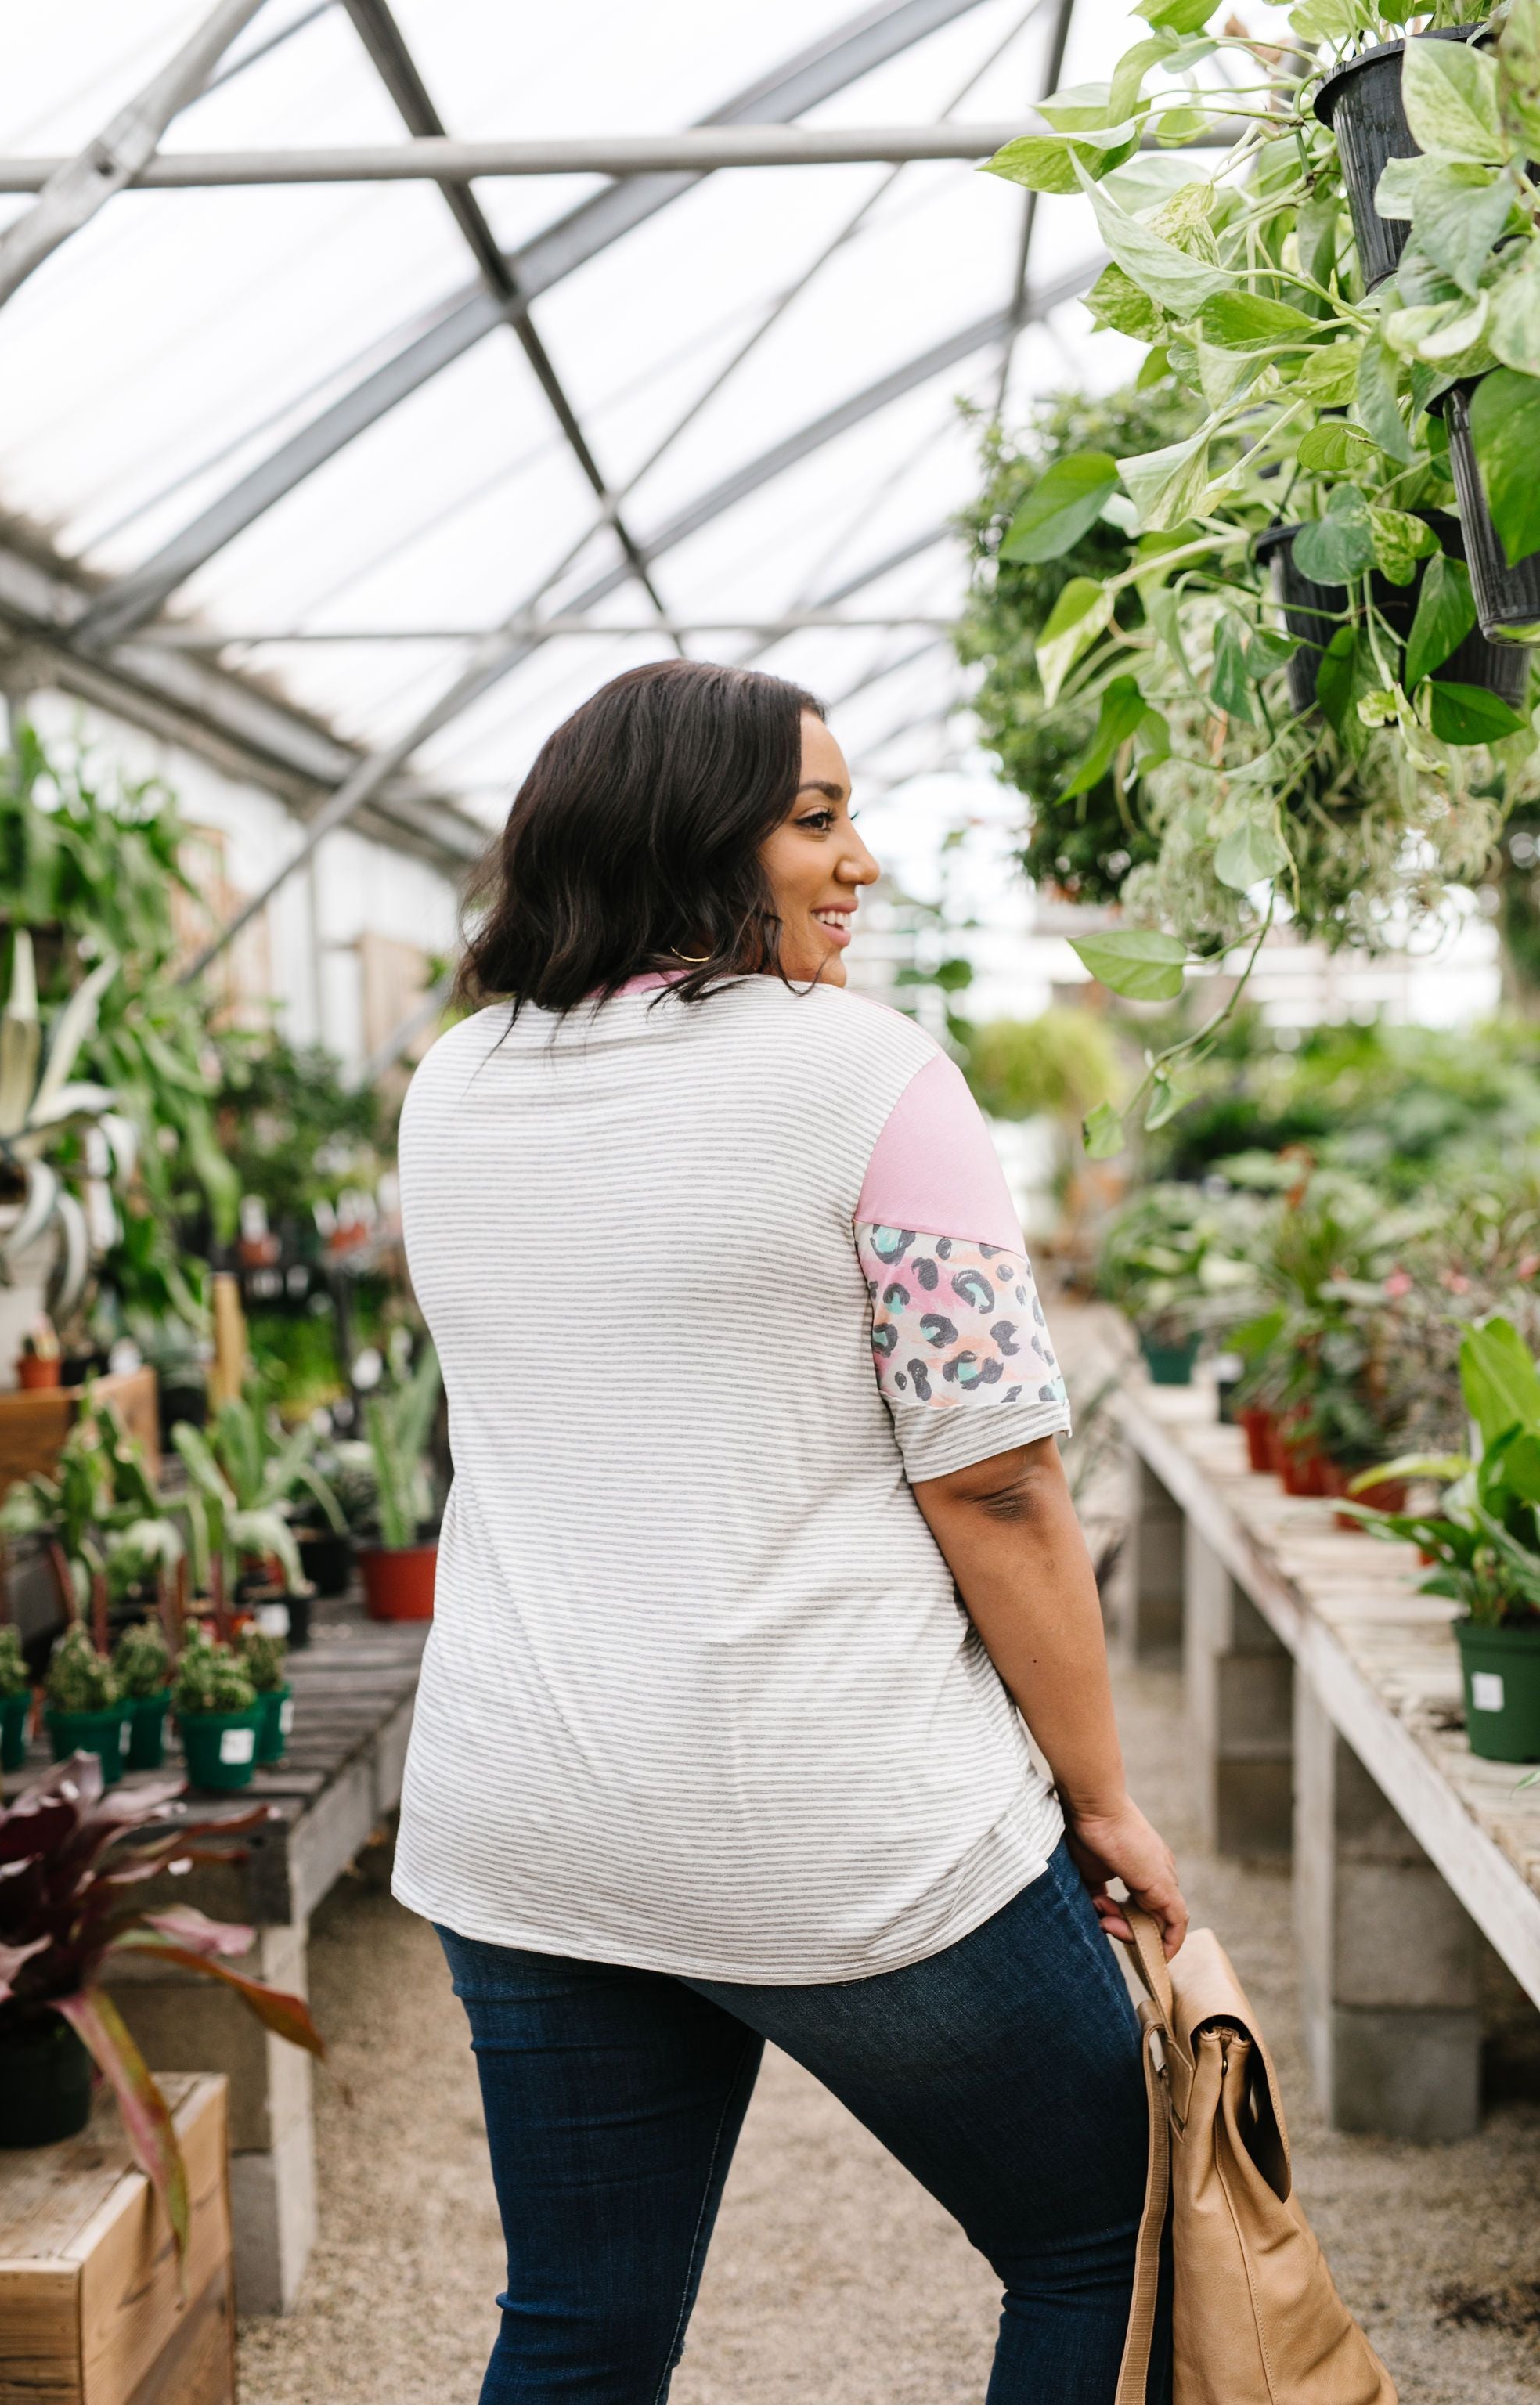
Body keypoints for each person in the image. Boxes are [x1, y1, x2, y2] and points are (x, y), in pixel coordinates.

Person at [393, 658, 1185, 2403]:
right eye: (817, 820)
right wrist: (1104, 1799)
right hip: (833, 1822)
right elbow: (992, 1476)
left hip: (530, 1823)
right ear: (692, 836)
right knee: (1100, 2232)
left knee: (579, 2327)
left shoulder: (449, 1085)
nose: (862, 863)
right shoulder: (868, 1078)